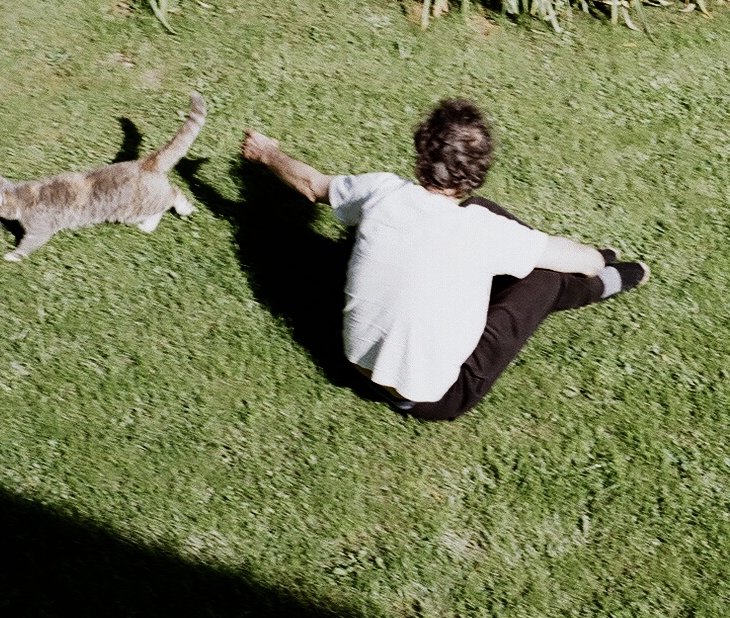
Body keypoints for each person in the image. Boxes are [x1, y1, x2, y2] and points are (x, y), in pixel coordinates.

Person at [240, 98, 649, 421]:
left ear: (422, 154)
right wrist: (594, 260)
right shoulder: (482, 231)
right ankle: (604, 285)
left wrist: (266, 153)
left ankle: (550, 259)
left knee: (489, 217)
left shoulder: (381, 190)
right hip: (435, 396)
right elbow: (585, 260)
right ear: (477, 172)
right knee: (546, 279)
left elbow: (312, 184)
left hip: (356, 361)